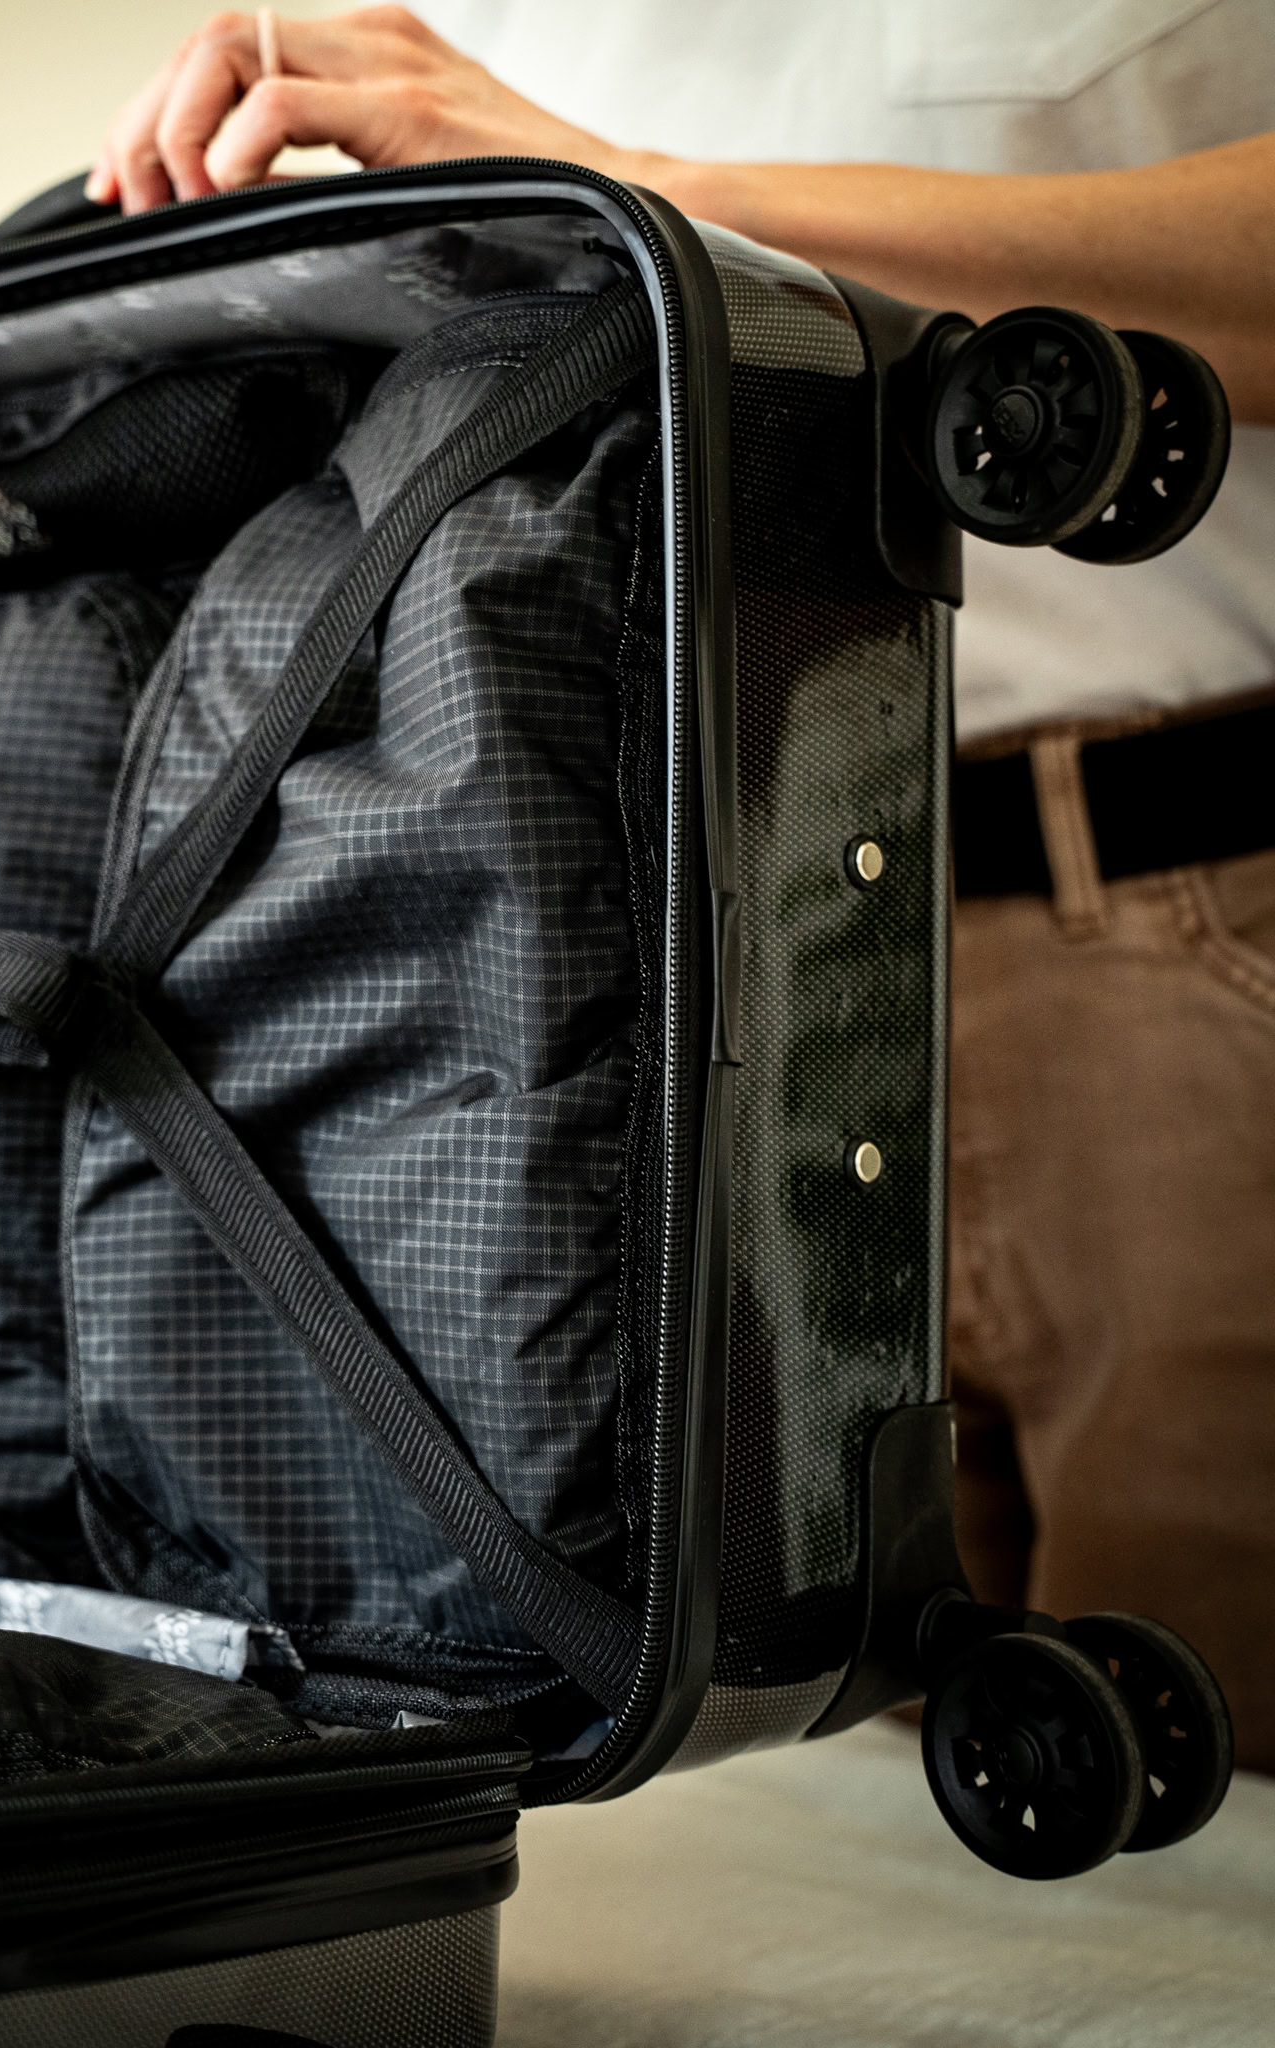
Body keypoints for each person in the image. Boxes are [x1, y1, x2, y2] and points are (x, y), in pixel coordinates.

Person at [88, 4, 1275, 1771]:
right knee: (833, 1841)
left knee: (1225, 1817)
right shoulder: (436, 22)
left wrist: (646, 201)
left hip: (1174, 942)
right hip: (673, 1004)